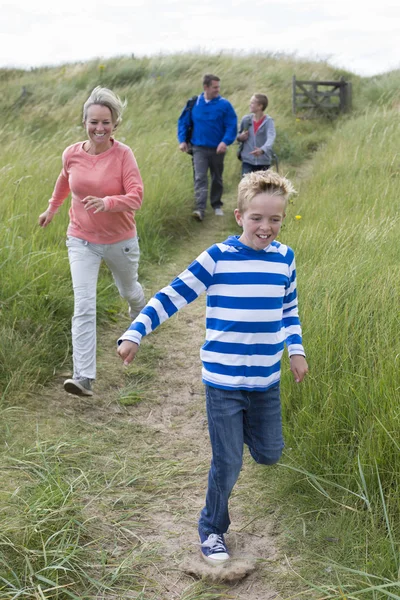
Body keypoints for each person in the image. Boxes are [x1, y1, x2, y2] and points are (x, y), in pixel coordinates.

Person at [117, 170, 308, 565]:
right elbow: (173, 294)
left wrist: (296, 350)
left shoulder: (285, 258)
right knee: (228, 461)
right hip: (223, 382)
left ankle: (238, 437)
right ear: (239, 216)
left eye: (275, 219)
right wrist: (136, 332)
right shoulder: (218, 258)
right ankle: (212, 529)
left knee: (271, 454)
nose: (266, 226)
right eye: (257, 217)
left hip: (265, 381)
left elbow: (289, 310)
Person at [38, 86, 146, 397]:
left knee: (130, 290)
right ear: (84, 122)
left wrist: (109, 202)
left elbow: (136, 197)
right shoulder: (71, 153)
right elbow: (64, 179)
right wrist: (51, 208)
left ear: (115, 124)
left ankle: (140, 310)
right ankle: (83, 376)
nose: (99, 128)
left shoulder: (124, 155)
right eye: (93, 122)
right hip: (81, 239)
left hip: (120, 239)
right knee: (84, 305)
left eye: (106, 123)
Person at [177, 74, 237, 221]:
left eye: (218, 87)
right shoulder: (194, 103)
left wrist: (225, 142)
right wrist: (182, 140)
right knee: (200, 177)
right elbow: (183, 122)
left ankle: (216, 205)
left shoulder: (225, 105)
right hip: (198, 148)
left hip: (218, 148)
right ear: (206, 87)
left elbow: (231, 125)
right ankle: (199, 209)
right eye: (215, 87)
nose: (218, 90)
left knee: (217, 177)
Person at [237, 93, 276, 176]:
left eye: (252, 103)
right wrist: (240, 137)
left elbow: (271, 138)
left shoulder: (268, 121)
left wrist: (262, 150)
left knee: (263, 188)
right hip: (247, 162)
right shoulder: (246, 119)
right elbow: (236, 134)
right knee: (246, 188)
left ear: (260, 106)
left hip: (263, 162)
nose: (250, 105)